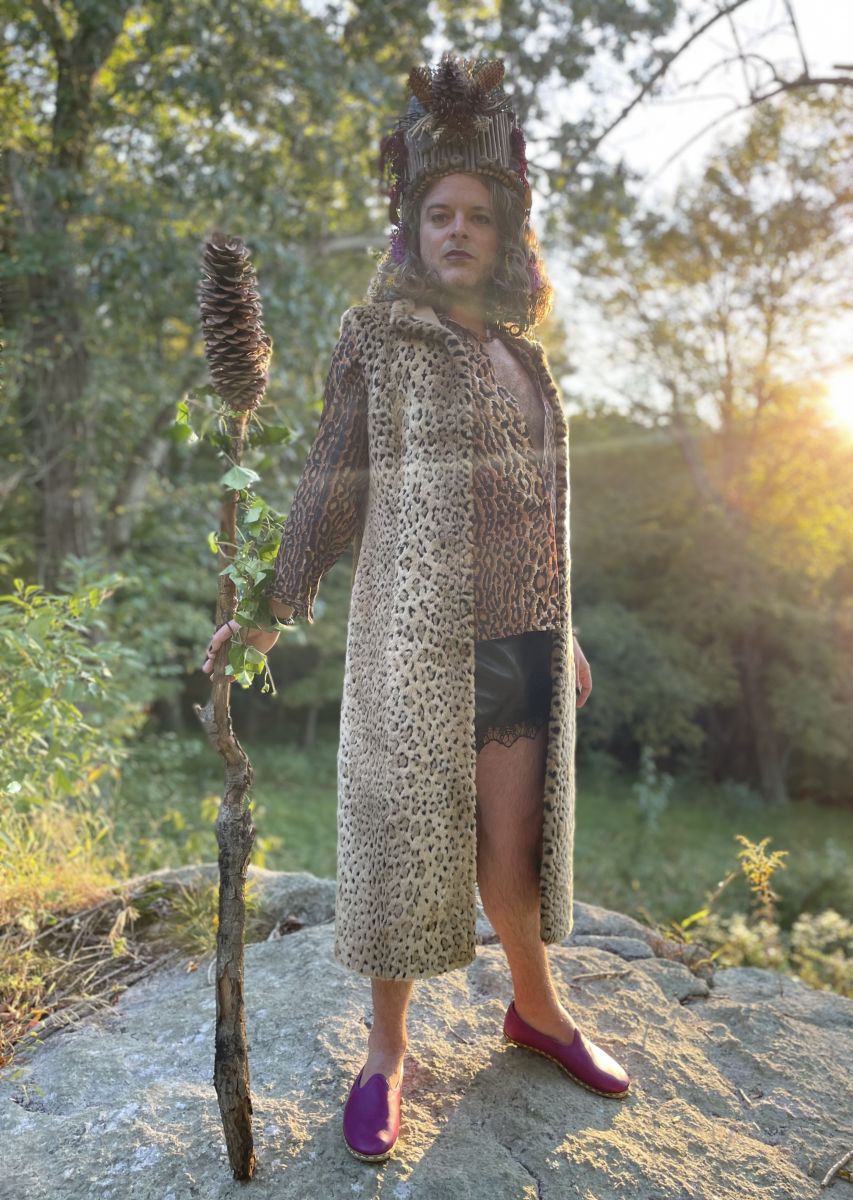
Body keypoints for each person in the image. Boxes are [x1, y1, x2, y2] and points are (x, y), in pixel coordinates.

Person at [201, 52, 630, 1163]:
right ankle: (388, 1053)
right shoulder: (376, 343)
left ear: (505, 237)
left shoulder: (527, 362)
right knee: (401, 845)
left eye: (476, 217)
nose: (455, 230)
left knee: (513, 846)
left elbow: (541, 515)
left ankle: (536, 1011)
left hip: (521, 647)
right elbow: (330, 483)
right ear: (411, 226)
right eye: (436, 212)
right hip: (411, 642)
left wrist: (564, 627)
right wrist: (270, 605)